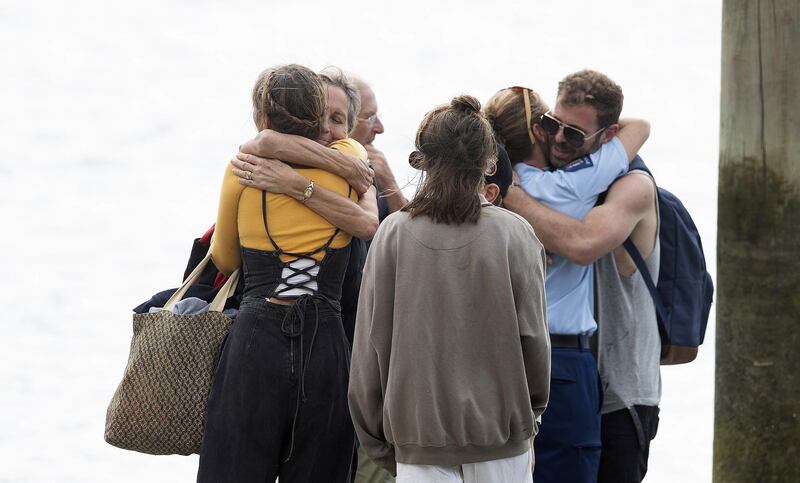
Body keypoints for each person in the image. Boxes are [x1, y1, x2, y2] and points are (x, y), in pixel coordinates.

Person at [348, 95, 551, 483]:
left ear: (422, 161)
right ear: (488, 163)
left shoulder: (392, 234)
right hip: (503, 444)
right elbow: (535, 345)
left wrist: (381, 444)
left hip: (418, 443)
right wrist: (528, 420)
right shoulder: (516, 235)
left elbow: (369, 351)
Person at [197, 64, 377, 483]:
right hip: (325, 341)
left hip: (256, 338)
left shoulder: (242, 168)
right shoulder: (350, 158)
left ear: (262, 118)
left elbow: (225, 259)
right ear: (318, 118)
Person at [484, 71, 650, 483]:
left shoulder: (483, 188)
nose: (560, 139)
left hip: (493, 361)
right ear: (539, 130)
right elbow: (640, 127)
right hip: (563, 361)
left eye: (573, 134)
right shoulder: (580, 183)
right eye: (552, 126)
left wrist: (505, 184)